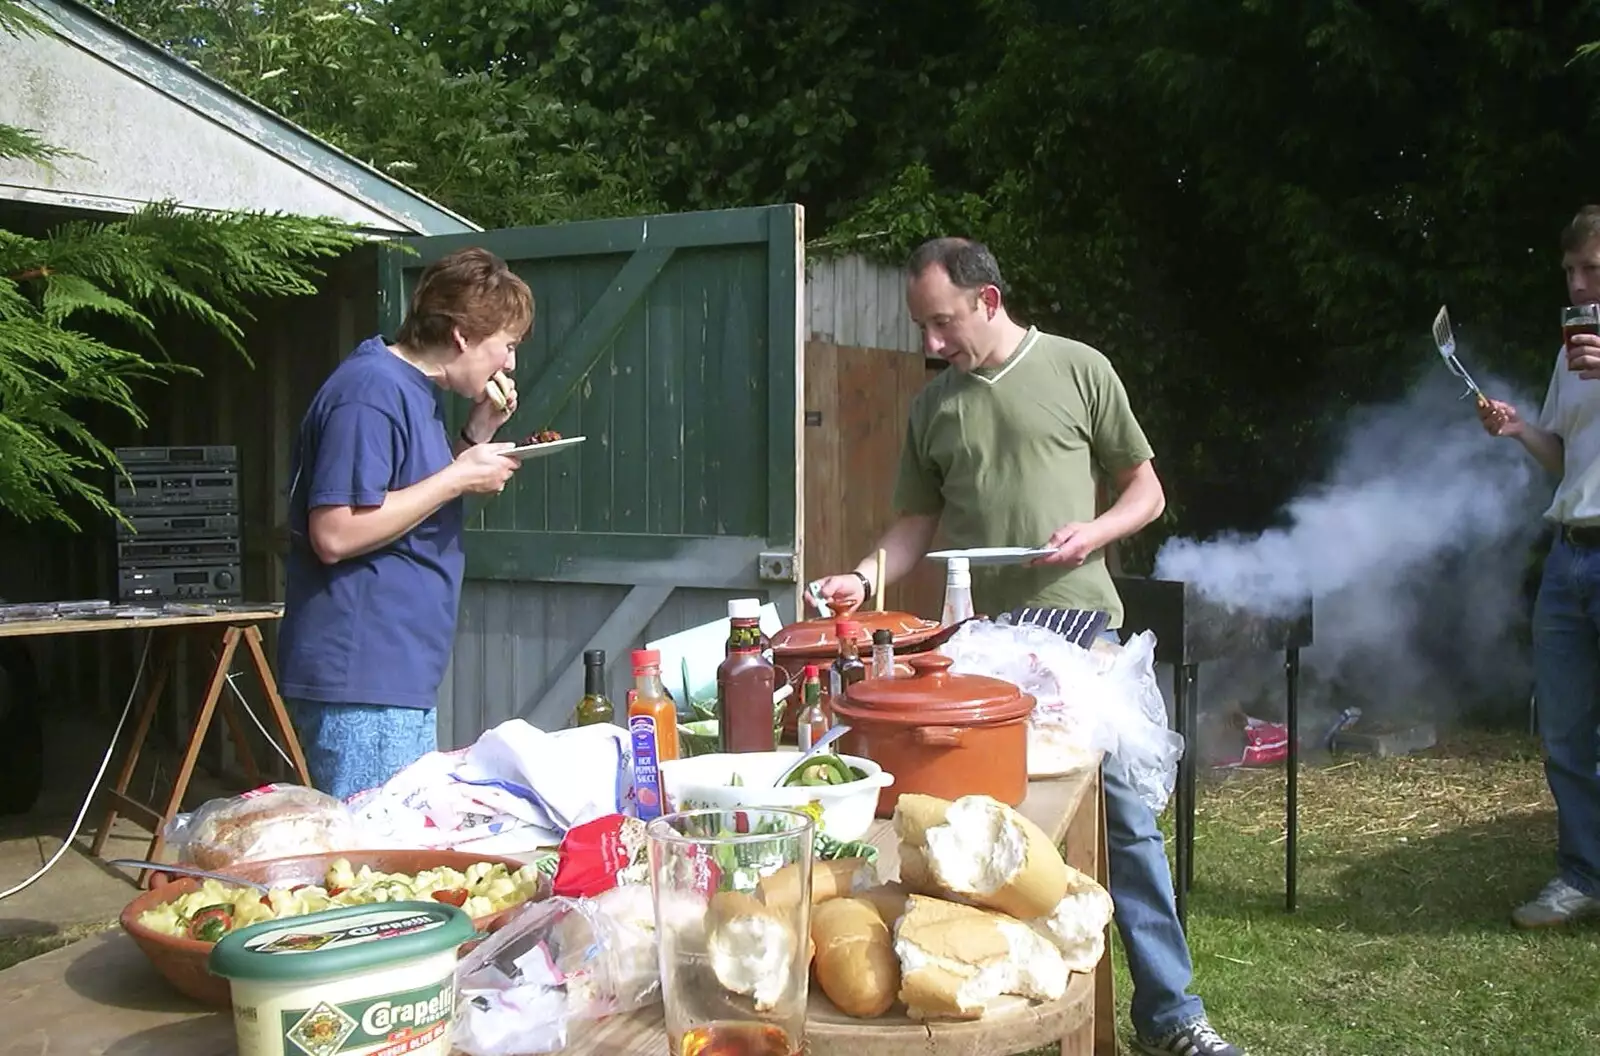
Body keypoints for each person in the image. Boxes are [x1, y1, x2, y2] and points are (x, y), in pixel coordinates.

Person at [812, 238, 1243, 1056]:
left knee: (1121, 817)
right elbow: (913, 527)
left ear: (988, 301)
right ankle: (986, 999)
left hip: (1080, 629)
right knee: (972, 827)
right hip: (980, 645)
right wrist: (864, 578)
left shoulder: (1080, 368)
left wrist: (1094, 534)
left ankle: (1172, 1017)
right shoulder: (933, 409)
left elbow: (1145, 491)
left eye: (942, 324)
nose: (931, 345)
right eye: (922, 328)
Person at [278, 247, 530, 800]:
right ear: (463, 334)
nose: (510, 363)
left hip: (397, 676)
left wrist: (475, 435)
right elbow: (334, 532)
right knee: (375, 867)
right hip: (362, 679)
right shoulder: (369, 393)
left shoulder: (415, 393)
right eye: (507, 345)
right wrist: (459, 478)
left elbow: (407, 498)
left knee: (395, 857)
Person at [1478, 205, 1600, 930]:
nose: (1580, 285)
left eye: (1593, 271)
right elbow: (1568, 458)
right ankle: (1583, 875)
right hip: (1571, 557)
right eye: (1570, 272)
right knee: (1565, 732)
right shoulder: (1572, 348)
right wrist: (1521, 428)